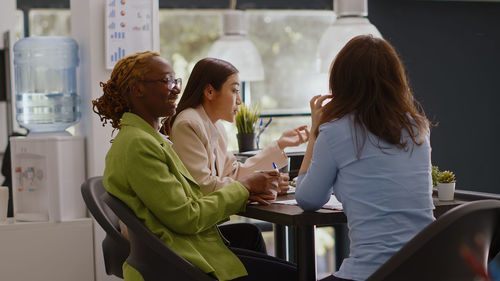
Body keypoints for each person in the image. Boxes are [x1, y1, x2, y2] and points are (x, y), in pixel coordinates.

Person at [92, 51, 297, 281]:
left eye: (175, 81)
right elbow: (188, 217)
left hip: (178, 248)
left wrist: (247, 185)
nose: (177, 88)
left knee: (253, 239)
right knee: (293, 274)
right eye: (166, 80)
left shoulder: (146, 139)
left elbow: (191, 201)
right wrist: (245, 188)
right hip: (175, 260)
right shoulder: (139, 145)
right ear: (138, 89)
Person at [295, 35, 435, 281]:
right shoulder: (417, 128)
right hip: (428, 269)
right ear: (395, 80)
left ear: (342, 81)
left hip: (371, 273)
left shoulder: (335, 131)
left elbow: (308, 198)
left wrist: (315, 130)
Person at [167, 57, 309, 197]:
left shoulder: (216, 126)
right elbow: (203, 186)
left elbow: (234, 173)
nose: (239, 101)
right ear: (209, 91)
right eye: (234, 90)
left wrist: (280, 145)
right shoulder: (188, 124)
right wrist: (259, 187)